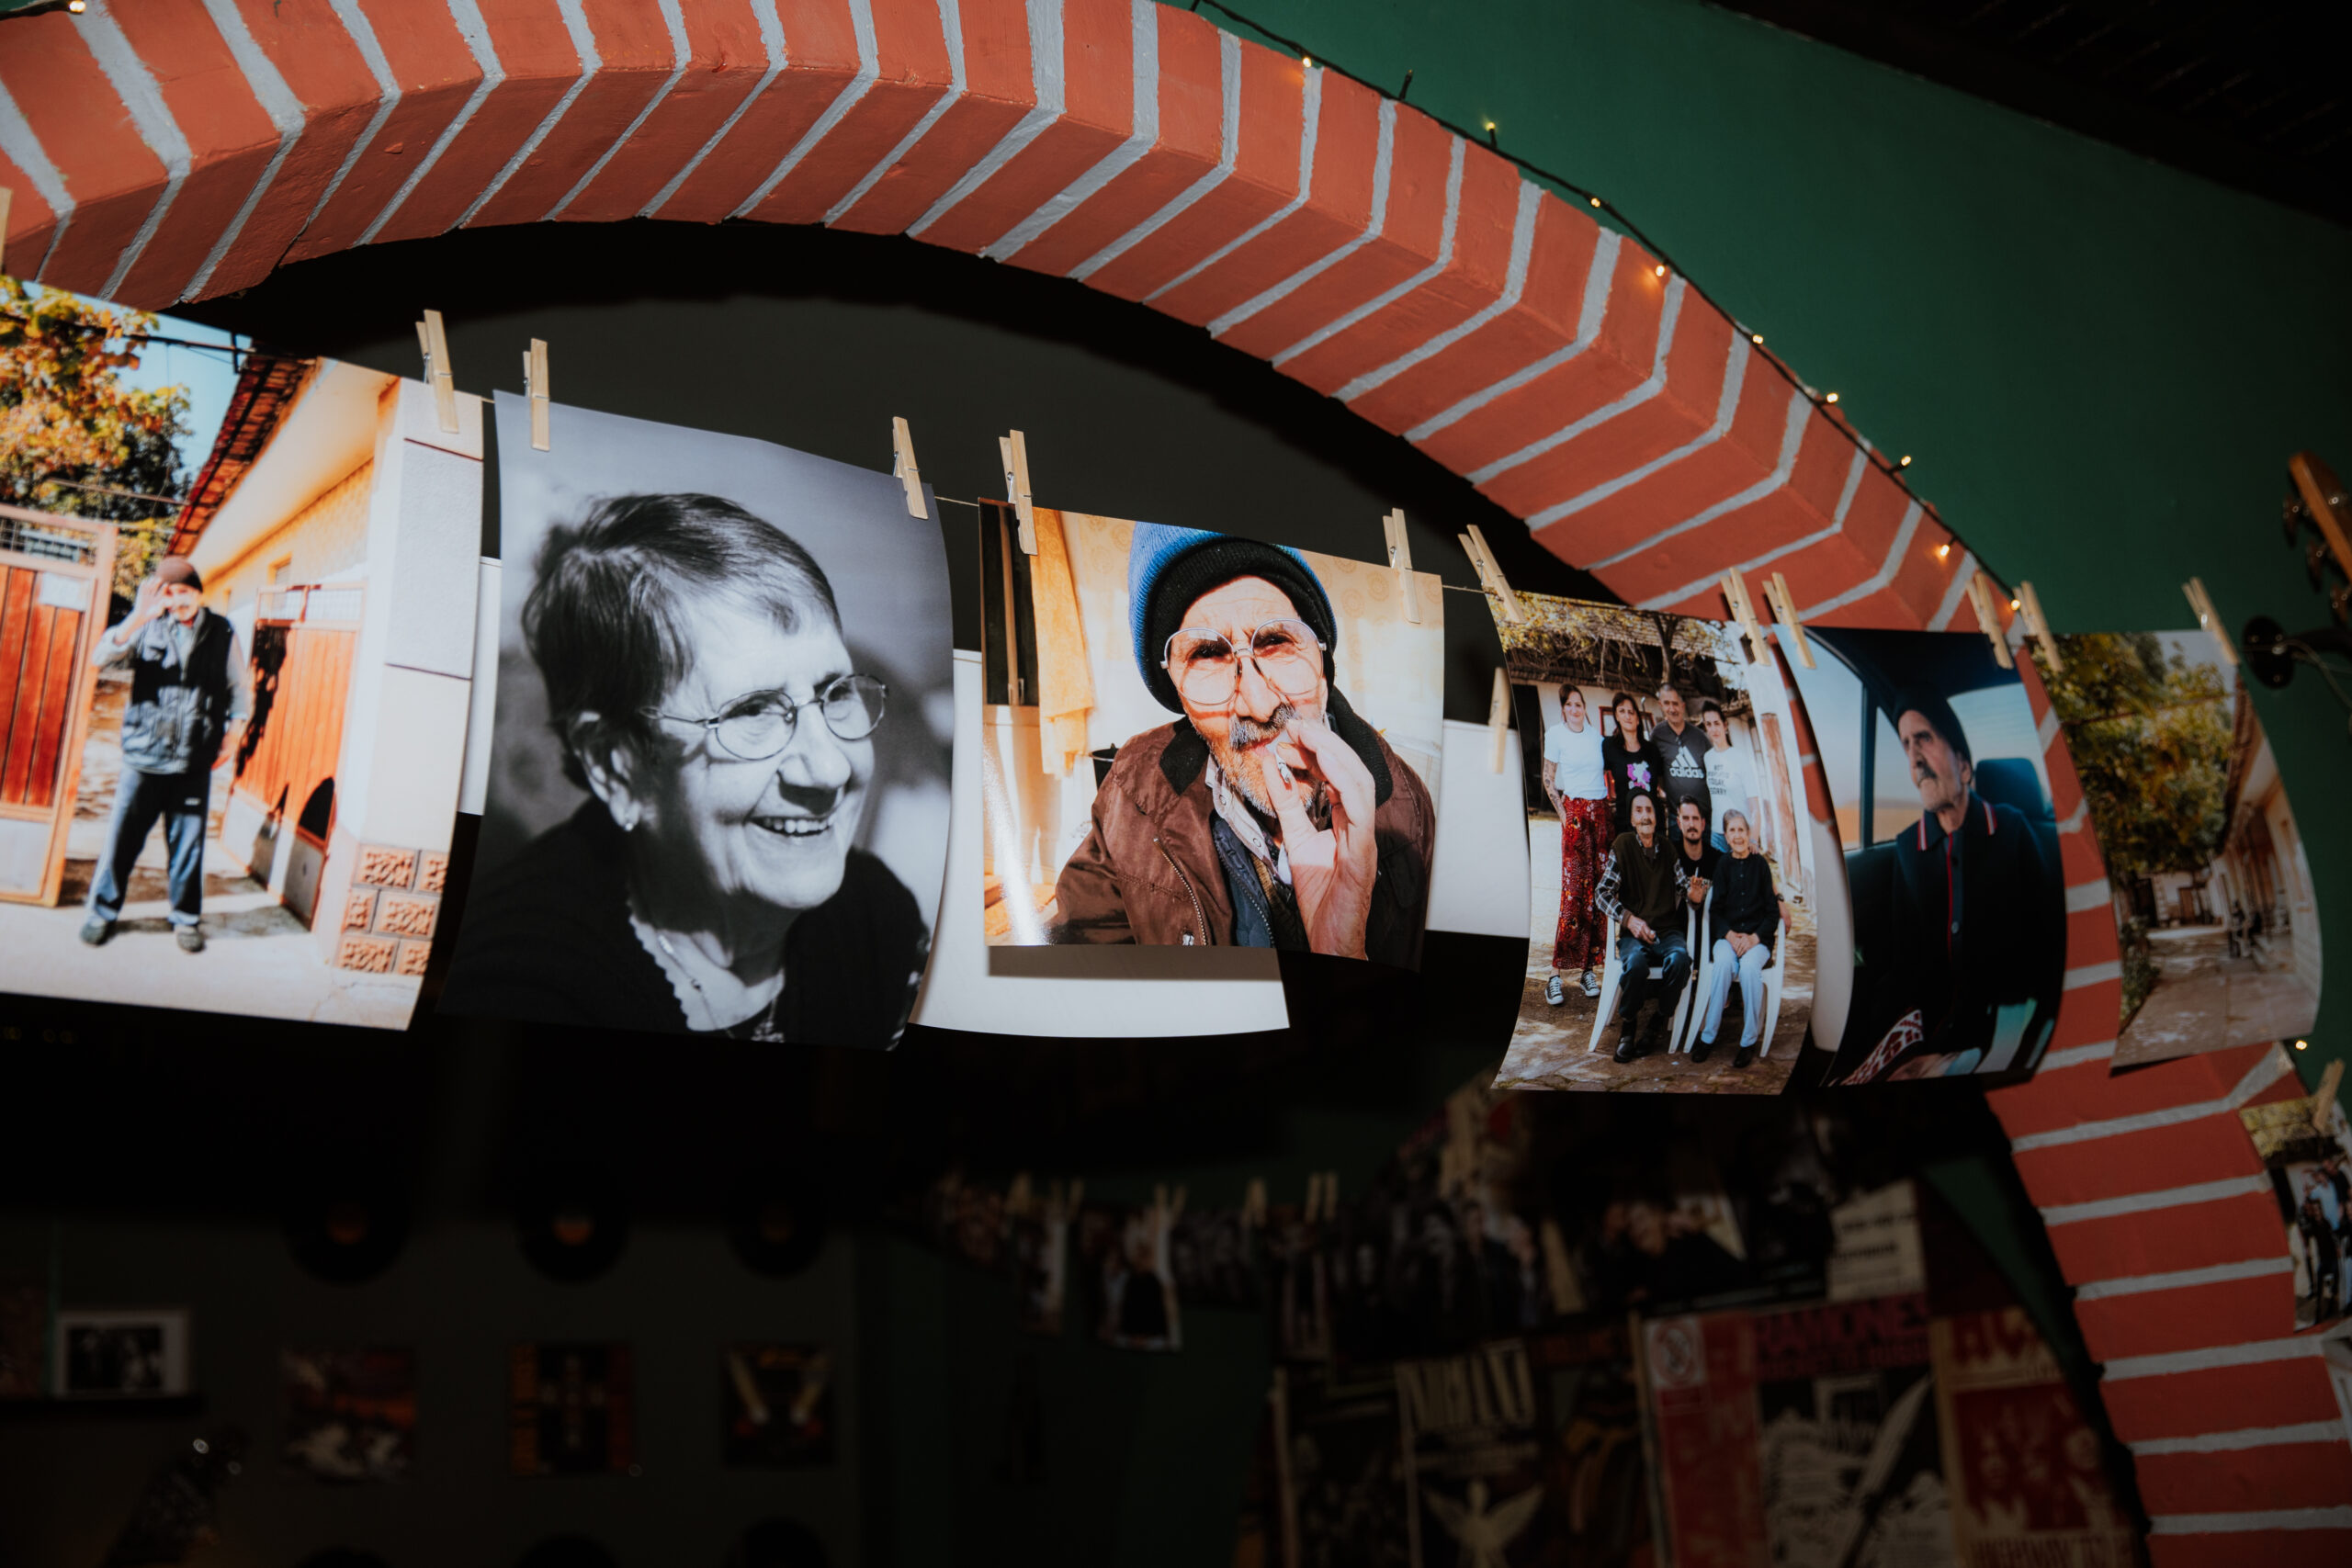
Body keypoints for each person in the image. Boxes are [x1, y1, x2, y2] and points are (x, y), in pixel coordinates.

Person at [440, 493, 927, 1045]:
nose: (830, 768)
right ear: (617, 765)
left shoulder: (875, 911)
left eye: (835, 692)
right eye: (752, 710)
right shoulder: (521, 984)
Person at [1049, 525, 1436, 964]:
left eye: (1276, 642)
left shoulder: (1407, 810)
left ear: (1322, 663)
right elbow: (1077, 952)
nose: (1259, 705)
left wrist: (1343, 955)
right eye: (1207, 654)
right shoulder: (1132, 786)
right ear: (1177, 690)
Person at [1838, 688, 2057, 1083]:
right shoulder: (1909, 846)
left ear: (1964, 765)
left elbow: (2047, 950)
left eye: (1924, 738)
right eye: (1906, 745)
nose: (1914, 758)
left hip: (2005, 1025)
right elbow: (1906, 963)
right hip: (1932, 1029)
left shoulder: (2012, 830)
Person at [80, 556, 251, 953]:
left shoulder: (222, 630)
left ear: (199, 593)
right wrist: (138, 616)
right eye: (170, 593)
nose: (178, 600)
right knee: (121, 842)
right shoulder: (147, 625)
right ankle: (102, 912)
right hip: (143, 756)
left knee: (188, 846)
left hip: (194, 759)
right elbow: (100, 657)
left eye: (185, 591)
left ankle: (186, 918)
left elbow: (238, 688)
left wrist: (234, 735)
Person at [1593, 793, 1702, 1063]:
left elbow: (1684, 888)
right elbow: (1601, 894)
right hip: (1634, 933)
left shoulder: (1667, 849)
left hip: (1667, 931)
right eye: (1639, 811)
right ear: (1632, 818)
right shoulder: (1623, 846)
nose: (1645, 816)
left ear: (1657, 817)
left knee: (1681, 962)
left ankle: (1658, 1020)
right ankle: (1629, 1025)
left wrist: (1694, 896)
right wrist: (1629, 919)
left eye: (1649, 811)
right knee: (1635, 965)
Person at [1694, 810, 1781, 1068]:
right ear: (1726, 836)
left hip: (1757, 940)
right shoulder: (1723, 865)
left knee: (1749, 969)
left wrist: (1754, 938)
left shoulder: (1760, 865)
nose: (1737, 836)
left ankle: (1748, 1041)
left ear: (1748, 833)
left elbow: (1772, 911)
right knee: (1722, 965)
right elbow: (1715, 911)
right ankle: (1708, 1036)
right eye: (1732, 831)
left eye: (1741, 830)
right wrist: (1731, 936)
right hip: (1728, 937)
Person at [1542, 687, 1611, 1004]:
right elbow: (1548, 777)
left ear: (1585, 707)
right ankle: (1554, 975)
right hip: (1576, 814)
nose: (1574, 709)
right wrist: (1565, 815)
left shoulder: (1597, 739)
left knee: (1597, 894)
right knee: (1573, 896)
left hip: (1601, 815)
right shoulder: (1556, 735)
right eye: (1569, 705)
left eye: (1578, 704)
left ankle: (1588, 971)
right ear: (1563, 709)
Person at [1650, 682, 1713, 836]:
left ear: (1683, 706)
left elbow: (1712, 774)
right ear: (1661, 705)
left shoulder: (1700, 737)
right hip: (1676, 818)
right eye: (1667, 703)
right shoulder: (1657, 736)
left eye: (1675, 704)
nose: (1672, 709)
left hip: (1703, 818)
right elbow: (1658, 773)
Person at [1699, 700, 1759, 857]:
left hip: (1739, 833)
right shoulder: (1708, 758)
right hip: (1717, 834)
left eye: (1717, 723)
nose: (1713, 729)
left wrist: (1753, 839)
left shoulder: (1740, 757)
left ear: (1725, 725)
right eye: (1709, 724)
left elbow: (1755, 805)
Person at [1600, 691, 1659, 841]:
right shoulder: (1609, 746)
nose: (1627, 716)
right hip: (1624, 824)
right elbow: (1596, 773)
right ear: (1616, 716)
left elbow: (1661, 783)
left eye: (1631, 712)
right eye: (1622, 711)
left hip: (1651, 823)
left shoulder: (1652, 750)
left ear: (1638, 719)